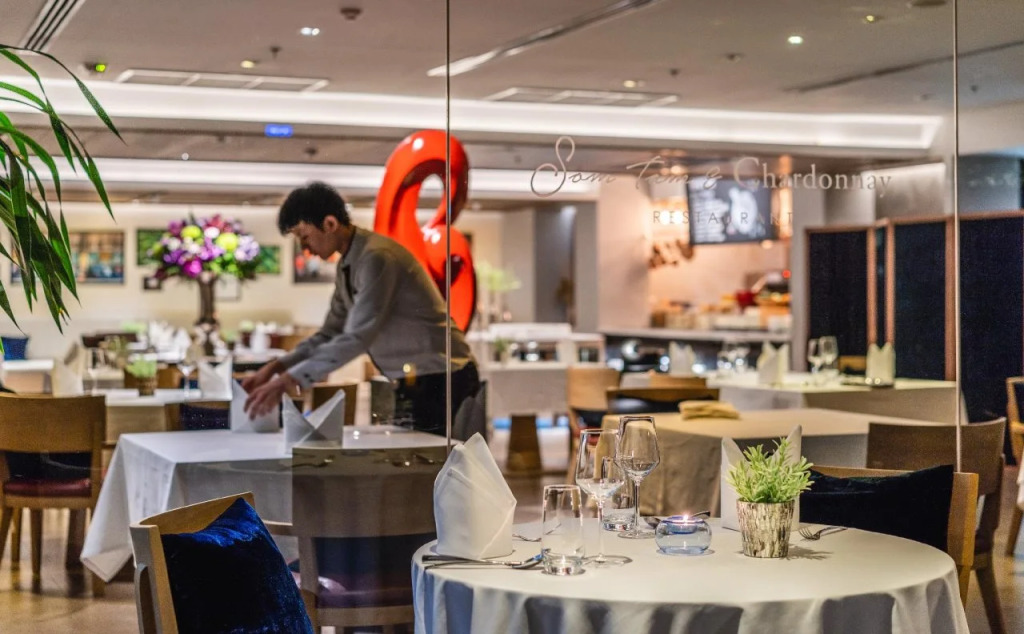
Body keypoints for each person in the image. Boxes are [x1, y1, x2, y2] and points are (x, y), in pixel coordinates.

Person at [243, 182, 479, 436]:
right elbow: (330, 332)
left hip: (441, 375)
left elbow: (358, 337)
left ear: (330, 224)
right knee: (413, 455)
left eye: (305, 236)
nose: (305, 249)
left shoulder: (376, 257)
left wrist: (288, 380)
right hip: (419, 377)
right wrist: (276, 368)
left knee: (425, 457)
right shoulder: (349, 263)